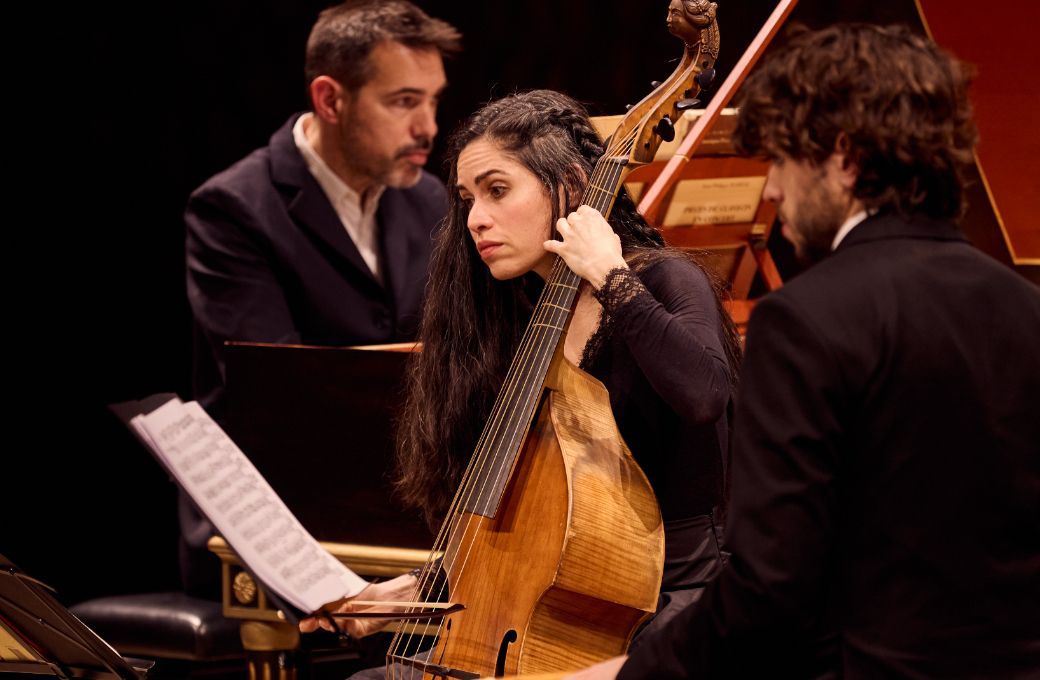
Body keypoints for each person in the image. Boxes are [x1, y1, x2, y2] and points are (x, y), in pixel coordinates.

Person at [577, 23, 1040, 679]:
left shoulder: (806, 317)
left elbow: (770, 588)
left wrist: (634, 673)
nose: (771, 191)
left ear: (844, 158)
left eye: (783, 161)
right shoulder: (1025, 306)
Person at [303, 89, 742, 668]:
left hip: (679, 605)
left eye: (497, 190)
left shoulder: (661, 282)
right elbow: (531, 534)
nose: (475, 219)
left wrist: (612, 277)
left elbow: (705, 393)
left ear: (571, 184)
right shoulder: (524, 318)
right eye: (466, 199)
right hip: (559, 613)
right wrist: (409, 593)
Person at [181, 0, 461, 597]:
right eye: (404, 101)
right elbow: (284, 392)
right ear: (330, 99)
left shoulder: (432, 200)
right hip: (274, 522)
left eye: (433, 100)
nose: (428, 129)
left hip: (396, 501)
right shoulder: (234, 208)